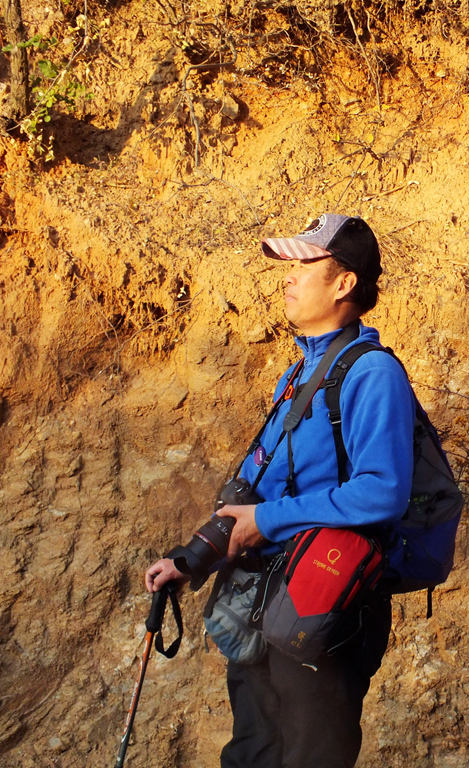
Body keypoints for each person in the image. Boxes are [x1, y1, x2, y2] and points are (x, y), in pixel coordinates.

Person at [144, 214, 415, 768]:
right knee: (251, 754)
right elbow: (259, 490)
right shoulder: (297, 376)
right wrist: (191, 559)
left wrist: (264, 522)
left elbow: (382, 492)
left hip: (323, 609)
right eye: (289, 265)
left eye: (304, 264)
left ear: (344, 284)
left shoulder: (373, 374)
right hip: (265, 604)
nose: (288, 278)